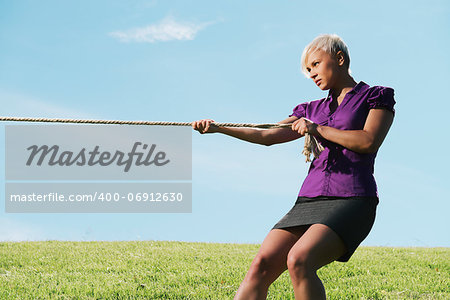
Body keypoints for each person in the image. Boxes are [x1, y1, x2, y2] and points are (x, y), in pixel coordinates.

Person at [192, 34, 395, 300]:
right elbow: (267, 135)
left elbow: (368, 141)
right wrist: (219, 128)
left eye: (316, 64)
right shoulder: (309, 109)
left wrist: (317, 129)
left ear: (340, 59)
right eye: (308, 70)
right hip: (309, 199)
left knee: (300, 259)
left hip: (353, 199)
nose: (312, 74)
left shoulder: (374, 97)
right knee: (261, 265)